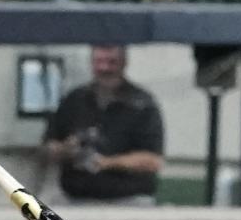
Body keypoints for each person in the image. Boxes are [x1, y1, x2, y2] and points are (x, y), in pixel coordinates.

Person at [43, 45, 164, 204]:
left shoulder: (143, 104)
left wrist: (106, 163)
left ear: (124, 63)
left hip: (128, 200)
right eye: (99, 61)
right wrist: (65, 149)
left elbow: (153, 161)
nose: (104, 68)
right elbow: (46, 148)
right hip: (74, 198)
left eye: (111, 62)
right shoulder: (73, 100)